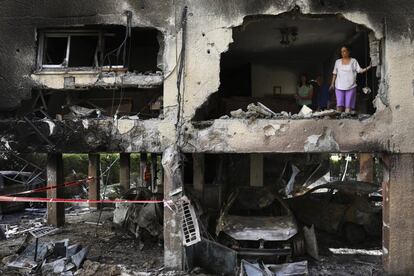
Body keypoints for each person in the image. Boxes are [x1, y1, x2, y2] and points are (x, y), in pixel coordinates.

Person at [330, 45, 372, 113]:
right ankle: (338, 121)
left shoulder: (353, 61)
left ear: (348, 52)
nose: (342, 53)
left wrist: (369, 67)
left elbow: (360, 70)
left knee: (348, 107)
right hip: (339, 86)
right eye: (341, 52)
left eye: (344, 51)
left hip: (351, 86)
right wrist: (332, 84)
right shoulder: (337, 62)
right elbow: (335, 73)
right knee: (339, 106)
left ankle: (346, 121)